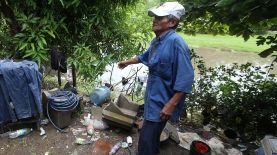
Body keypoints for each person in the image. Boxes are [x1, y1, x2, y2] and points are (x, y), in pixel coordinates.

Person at [118, 2, 194, 155]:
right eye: (155, 17)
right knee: (150, 139)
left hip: (162, 103)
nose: (155, 20)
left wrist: (171, 105)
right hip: (152, 99)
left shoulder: (176, 43)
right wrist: (127, 62)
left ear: (172, 22)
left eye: (160, 17)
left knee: (146, 143)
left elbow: (186, 78)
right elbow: (144, 56)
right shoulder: (157, 42)